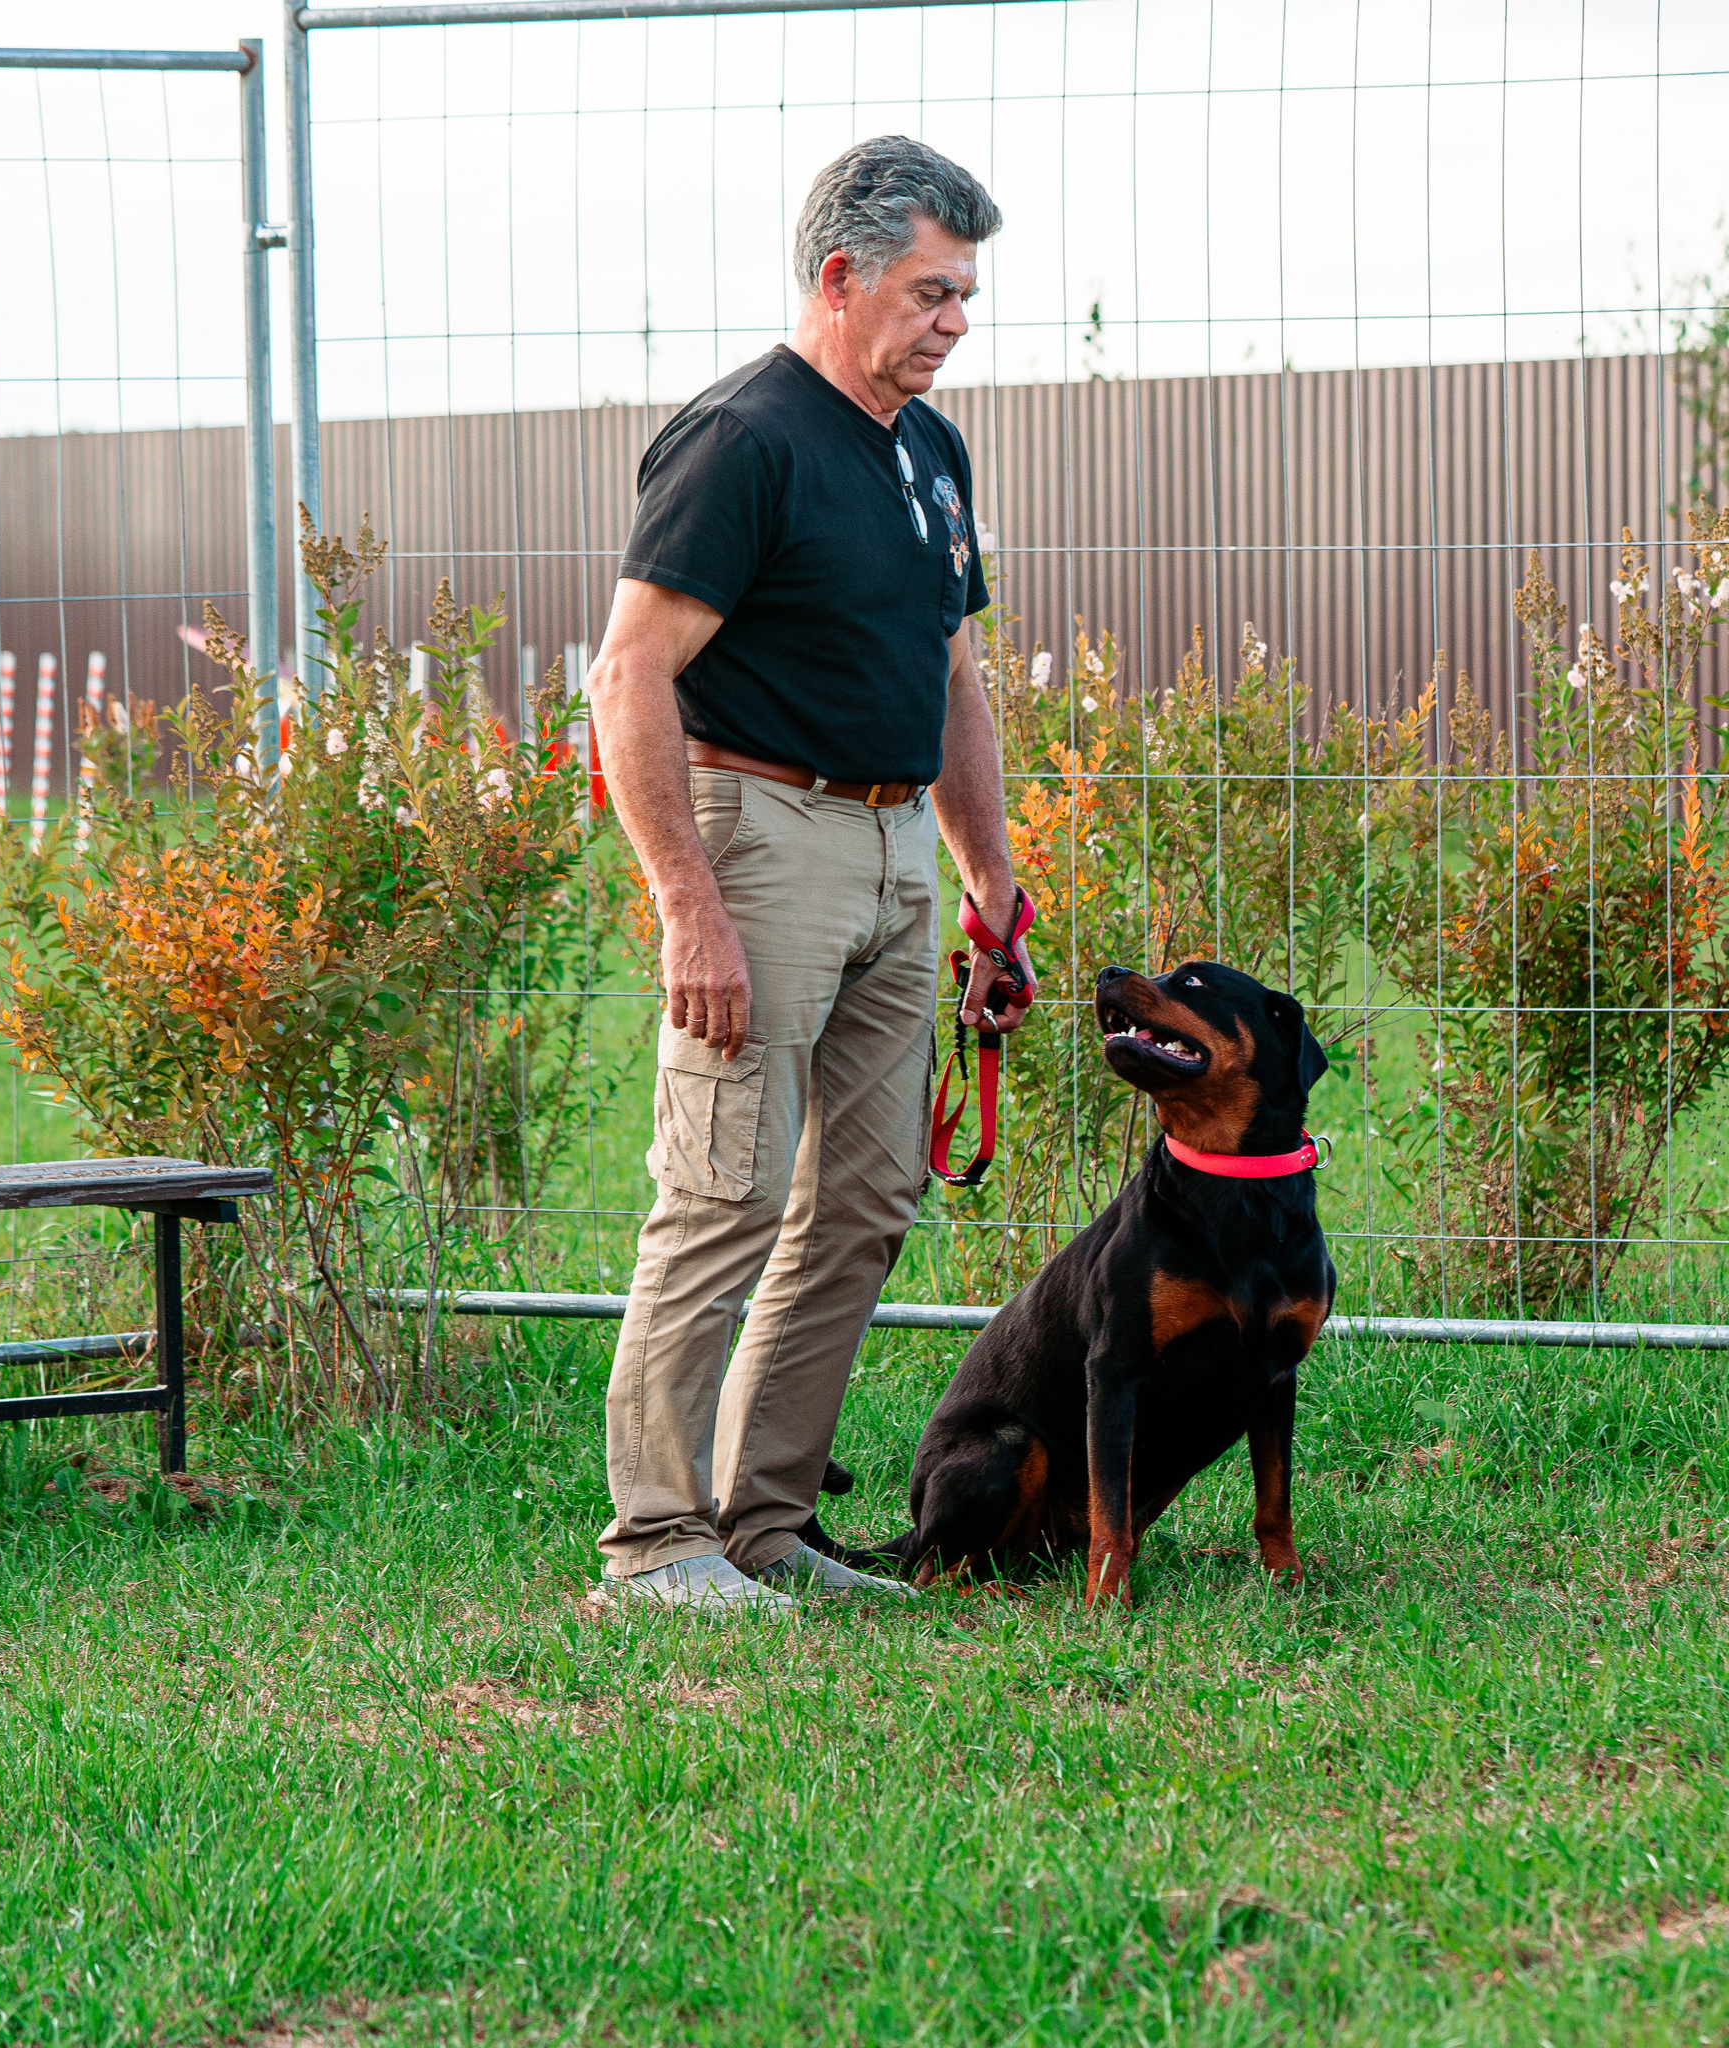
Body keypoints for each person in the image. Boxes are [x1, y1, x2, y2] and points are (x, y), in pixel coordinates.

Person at [586, 135, 1030, 1613]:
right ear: (838, 278)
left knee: (865, 1199)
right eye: (928, 293)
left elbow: (951, 671)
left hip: (904, 847)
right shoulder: (743, 439)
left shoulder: (932, 451)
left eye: (965, 295)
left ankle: (765, 1527)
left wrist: (989, 881)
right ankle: (659, 1542)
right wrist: (688, 908)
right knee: (721, 1190)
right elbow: (629, 677)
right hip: (760, 840)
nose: (952, 322)